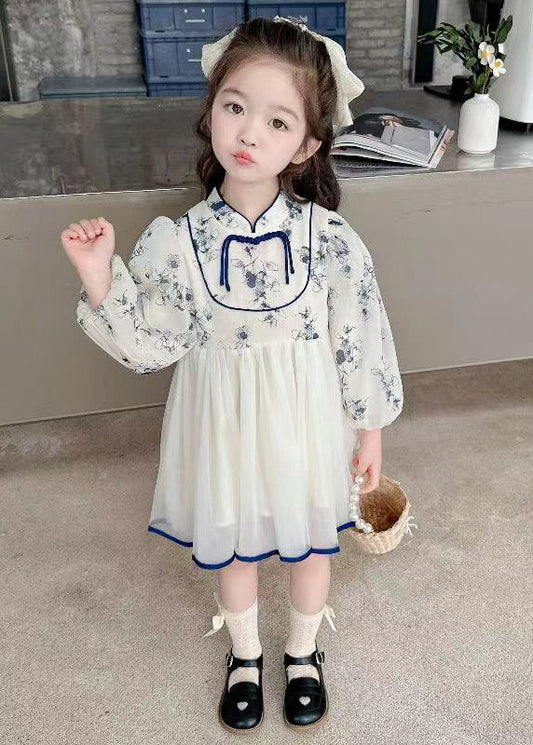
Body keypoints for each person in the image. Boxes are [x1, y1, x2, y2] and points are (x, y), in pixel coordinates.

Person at [60, 15, 404, 733]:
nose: (248, 133)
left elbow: (361, 335)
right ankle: (244, 654)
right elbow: (149, 344)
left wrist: (369, 427)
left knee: (312, 541)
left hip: (307, 419)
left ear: (306, 145)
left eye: (277, 121)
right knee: (234, 542)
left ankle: (303, 651)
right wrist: (99, 276)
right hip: (220, 424)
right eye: (235, 106)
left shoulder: (329, 238)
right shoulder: (177, 241)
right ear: (211, 108)